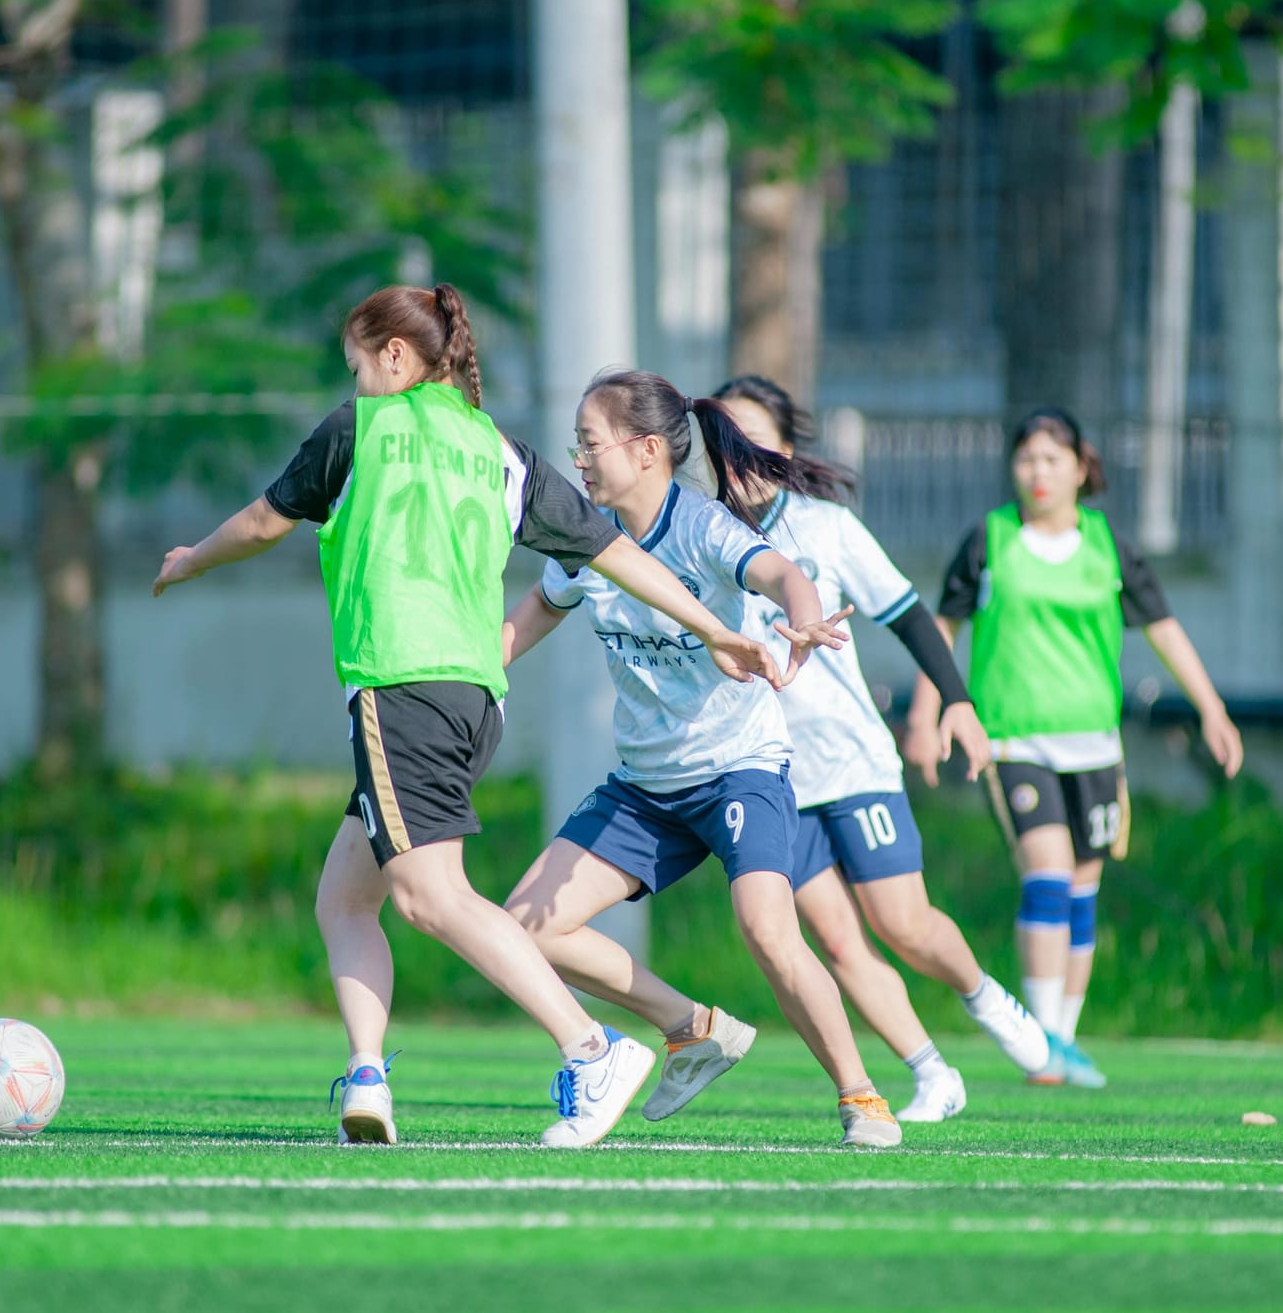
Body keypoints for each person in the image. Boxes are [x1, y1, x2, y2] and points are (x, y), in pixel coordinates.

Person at [152, 284, 791, 1148]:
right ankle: (368, 1076)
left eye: (356, 366)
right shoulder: (501, 449)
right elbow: (612, 553)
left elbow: (267, 521)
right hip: (473, 695)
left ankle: (591, 1048)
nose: (355, 381)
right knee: (345, 899)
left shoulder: (359, 428)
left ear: (394, 357)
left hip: (401, 685)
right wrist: (715, 626)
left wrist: (192, 558)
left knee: (430, 895)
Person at [501, 368, 901, 1147]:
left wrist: (803, 620)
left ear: (646, 450)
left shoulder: (702, 528)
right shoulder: (582, 539)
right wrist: (467, 676)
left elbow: (784, 574)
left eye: (589, 442)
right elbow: (521, 625)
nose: (577, 459)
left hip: (737, 767)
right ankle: (692, 1028)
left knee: (767, 930)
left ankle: (862, 1097)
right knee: (526, 924)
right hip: (646, 786)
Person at [711, 374, 1050, 1123]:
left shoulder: (825, 528)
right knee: (835, 939)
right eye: (721, 434)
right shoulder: (703, 531)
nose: (734, 450)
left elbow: (907, 613)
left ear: (785, 448)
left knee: (903, 923)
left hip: (852, 759)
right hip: (770, 770)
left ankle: (983, 994)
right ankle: (932, 1073)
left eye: (750, 433)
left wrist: (955, 703)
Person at [905, 406, 1243, 1088]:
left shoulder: (1109, 547)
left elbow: (1163, 626)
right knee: (1048, 871)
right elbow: (940, 627)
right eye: (1026, 458)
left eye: (1051, 459)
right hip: (1011, 740)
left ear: (1081, 467)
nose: (1037, 472)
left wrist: (1212, 708)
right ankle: (1040, 1045)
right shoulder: (989, 541)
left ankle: (1062, 1037)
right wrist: (925, 713)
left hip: (1094, 746)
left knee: (1083, 892)